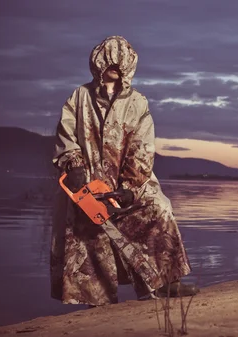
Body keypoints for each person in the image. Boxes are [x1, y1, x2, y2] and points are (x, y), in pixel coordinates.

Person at [50, 35, 198, 306]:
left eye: (122, 61)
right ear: (99, 61)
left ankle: (166, 283)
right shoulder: (79, 97)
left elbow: (143, 144)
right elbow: (66, 132)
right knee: (88, 234)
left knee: (158, 209)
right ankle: (96, 299)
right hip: (89, 183)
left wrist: (130, 187)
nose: (116, 65)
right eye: (110, 60)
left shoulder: (138, 102)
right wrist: (74, 164)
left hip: (129, 183)